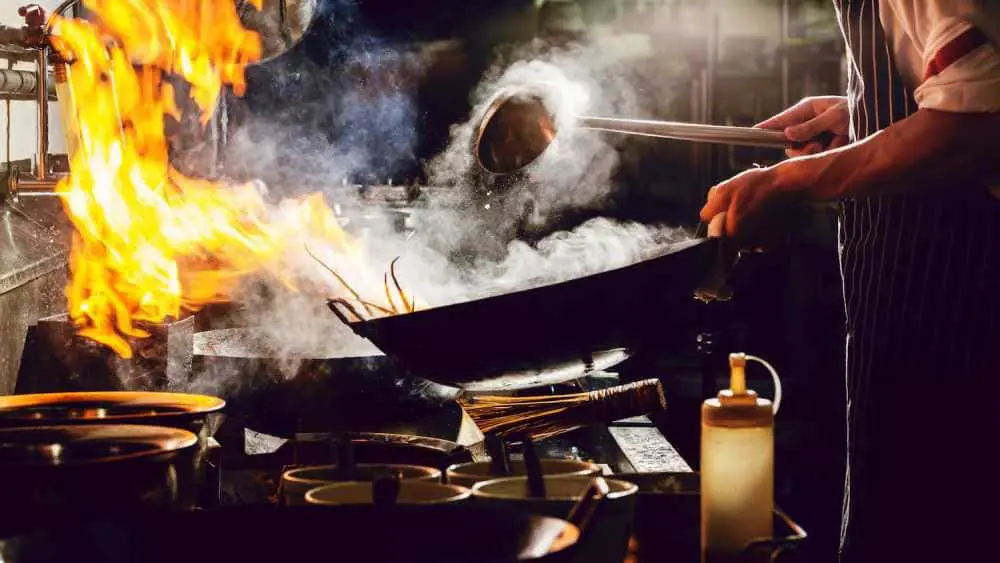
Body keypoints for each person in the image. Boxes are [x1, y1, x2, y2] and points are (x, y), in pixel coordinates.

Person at [700, 2, 1000, 562]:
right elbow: (962, 80)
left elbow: (979, 121)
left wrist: (797, 181)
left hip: (964, 308)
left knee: (938, 523)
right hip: (904, 311)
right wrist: (865, 120)